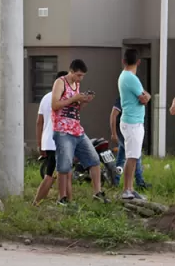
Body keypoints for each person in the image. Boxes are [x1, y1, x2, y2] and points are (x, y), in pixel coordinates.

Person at [51, 60, 107, 204]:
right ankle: (62, 198)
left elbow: (75, 109)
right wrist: (74, 98)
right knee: (64, 165)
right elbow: (55, 105)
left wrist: (84, 101)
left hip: (77, 129)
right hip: (63, 130)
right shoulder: (60, 82)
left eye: (82, 76)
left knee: (94, 160)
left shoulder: (77, 85)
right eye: (78, 75)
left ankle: (97, 192)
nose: (80, 78)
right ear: (71, 71)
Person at [113, 49, 150, 202]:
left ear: (123, 61)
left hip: (130, 121)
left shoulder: (124, 76)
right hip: (132, 122)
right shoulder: (131, 78)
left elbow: (143, 95)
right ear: (138, 62)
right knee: (132, 157)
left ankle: (131, 188)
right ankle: (127, 189)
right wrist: (146, 96)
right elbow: (144, 98)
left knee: (133, 156)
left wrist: (144, 95)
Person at [34, 71, 69, 205]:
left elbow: (39, 122)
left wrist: (39, 144)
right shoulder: (65, 99)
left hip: (48, 141)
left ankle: (65, 200)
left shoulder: (45, 98)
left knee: (62, 173)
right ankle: (37, 202)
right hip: (59, 142)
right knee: (52, 175)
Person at [109, 102, 148, 190]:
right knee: (135, 155)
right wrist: (114, 133)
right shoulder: (123, 99)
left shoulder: (132, 99)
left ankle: (115, 180)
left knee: (121, 157)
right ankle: (139, 181)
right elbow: (113, 115)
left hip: (126, 130)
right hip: (125, 130)